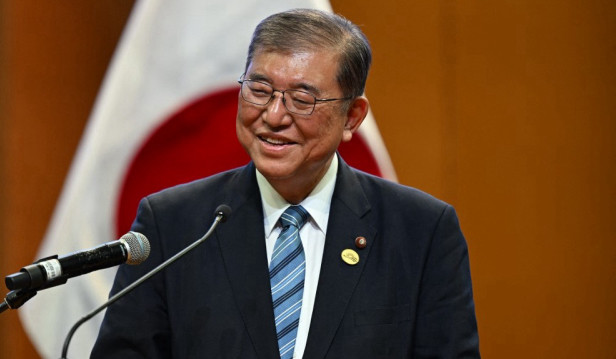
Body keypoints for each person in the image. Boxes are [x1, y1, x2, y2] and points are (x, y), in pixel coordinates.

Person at [91, 8, 479, 359]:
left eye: (302, 98)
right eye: (259, 91)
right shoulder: (172, 225)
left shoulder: (420, 232)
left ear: (351, 117)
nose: (273, 116)